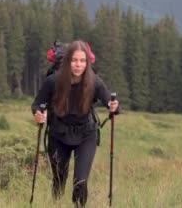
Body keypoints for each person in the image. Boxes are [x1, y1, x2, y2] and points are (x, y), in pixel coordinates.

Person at [31, 40, 120, 207]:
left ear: (87, 62)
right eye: (74, 60)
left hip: (86, 135)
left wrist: (113, 106)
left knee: (80, 182)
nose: (78, 65)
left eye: (82, 61)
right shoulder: (53, 81)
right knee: (58, 180)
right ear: (67, 61)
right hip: (58, 135)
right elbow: (37, 104)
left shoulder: (94, 81)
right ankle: (56, 204)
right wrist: (38, 114)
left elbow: (110, 101)